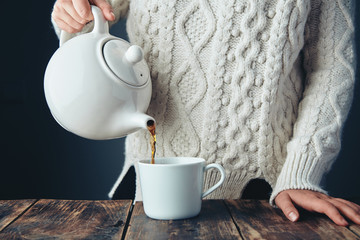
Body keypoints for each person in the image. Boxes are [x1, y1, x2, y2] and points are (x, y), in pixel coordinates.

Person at [51, 0, 360, 226]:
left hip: (264, 195)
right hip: (148, 186)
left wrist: (301, 173)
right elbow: (89, 18)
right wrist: (72, 15)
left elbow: (332, 67)